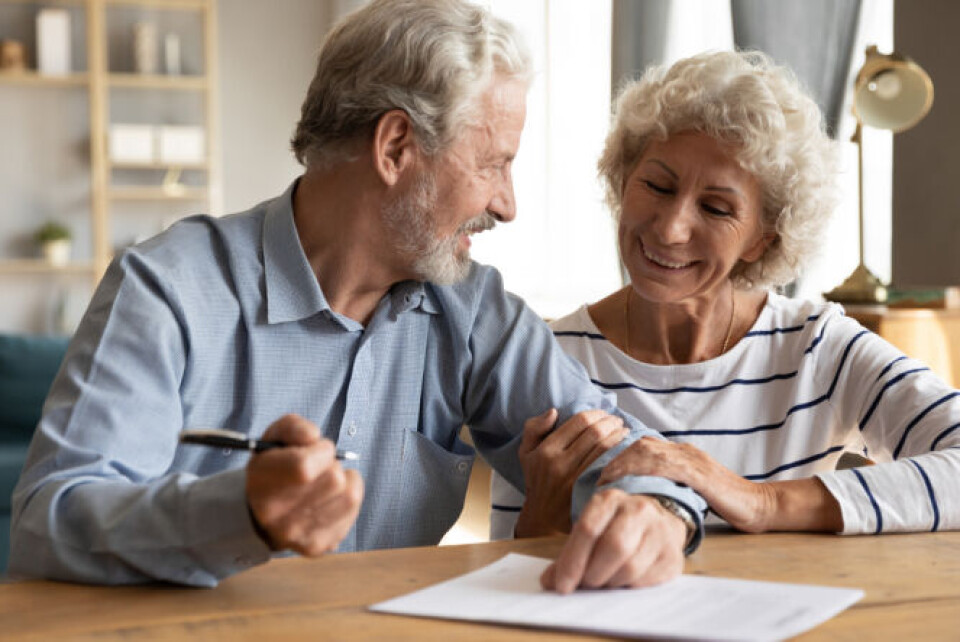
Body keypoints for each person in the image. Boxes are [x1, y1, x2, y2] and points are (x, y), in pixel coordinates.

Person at [10, 0, 706, 590]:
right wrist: (240, 513)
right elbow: (48, 523)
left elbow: (623, 446)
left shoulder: (471, 308)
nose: (507, 204)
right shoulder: (169, 288)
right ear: (397, 146)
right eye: (493, 163)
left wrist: (658, 511)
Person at [491, 50, 960, 539]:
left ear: (764, 237)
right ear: (623, 179)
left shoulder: (817, 348)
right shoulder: (547, 358)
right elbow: (501, 594)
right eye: (655, 185)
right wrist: (543, 516)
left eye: (715, 209)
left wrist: (760, 501)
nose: (671, 229)